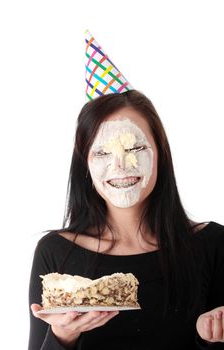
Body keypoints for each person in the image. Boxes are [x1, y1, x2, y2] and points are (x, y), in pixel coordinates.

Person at [28, 90, 224, 350]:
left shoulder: (213, 245)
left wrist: (210, 339)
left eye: (135, 147)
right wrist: (62, 335)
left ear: (160, 153)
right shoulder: (55, 252)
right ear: (85, 163)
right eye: (102, 153)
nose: (120, 165)